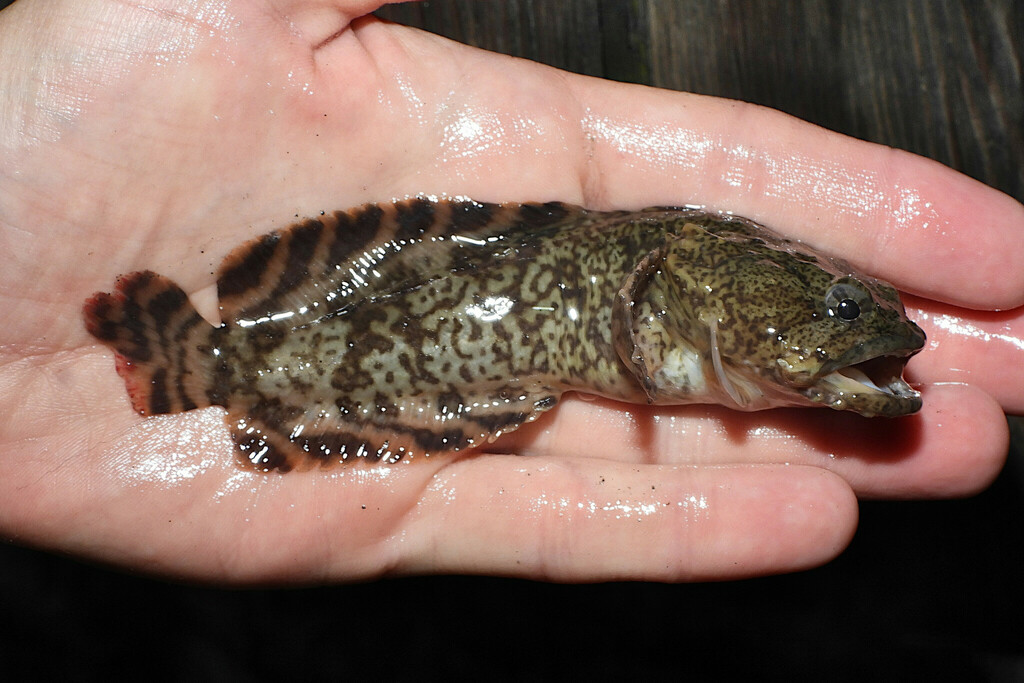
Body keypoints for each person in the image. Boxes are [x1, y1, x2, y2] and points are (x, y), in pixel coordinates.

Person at [0, 0, 1021, 584]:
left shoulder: (715, 295)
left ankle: (211, 369)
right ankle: (206, 366)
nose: (865, 334)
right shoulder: (688, 281)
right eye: (841, 306)